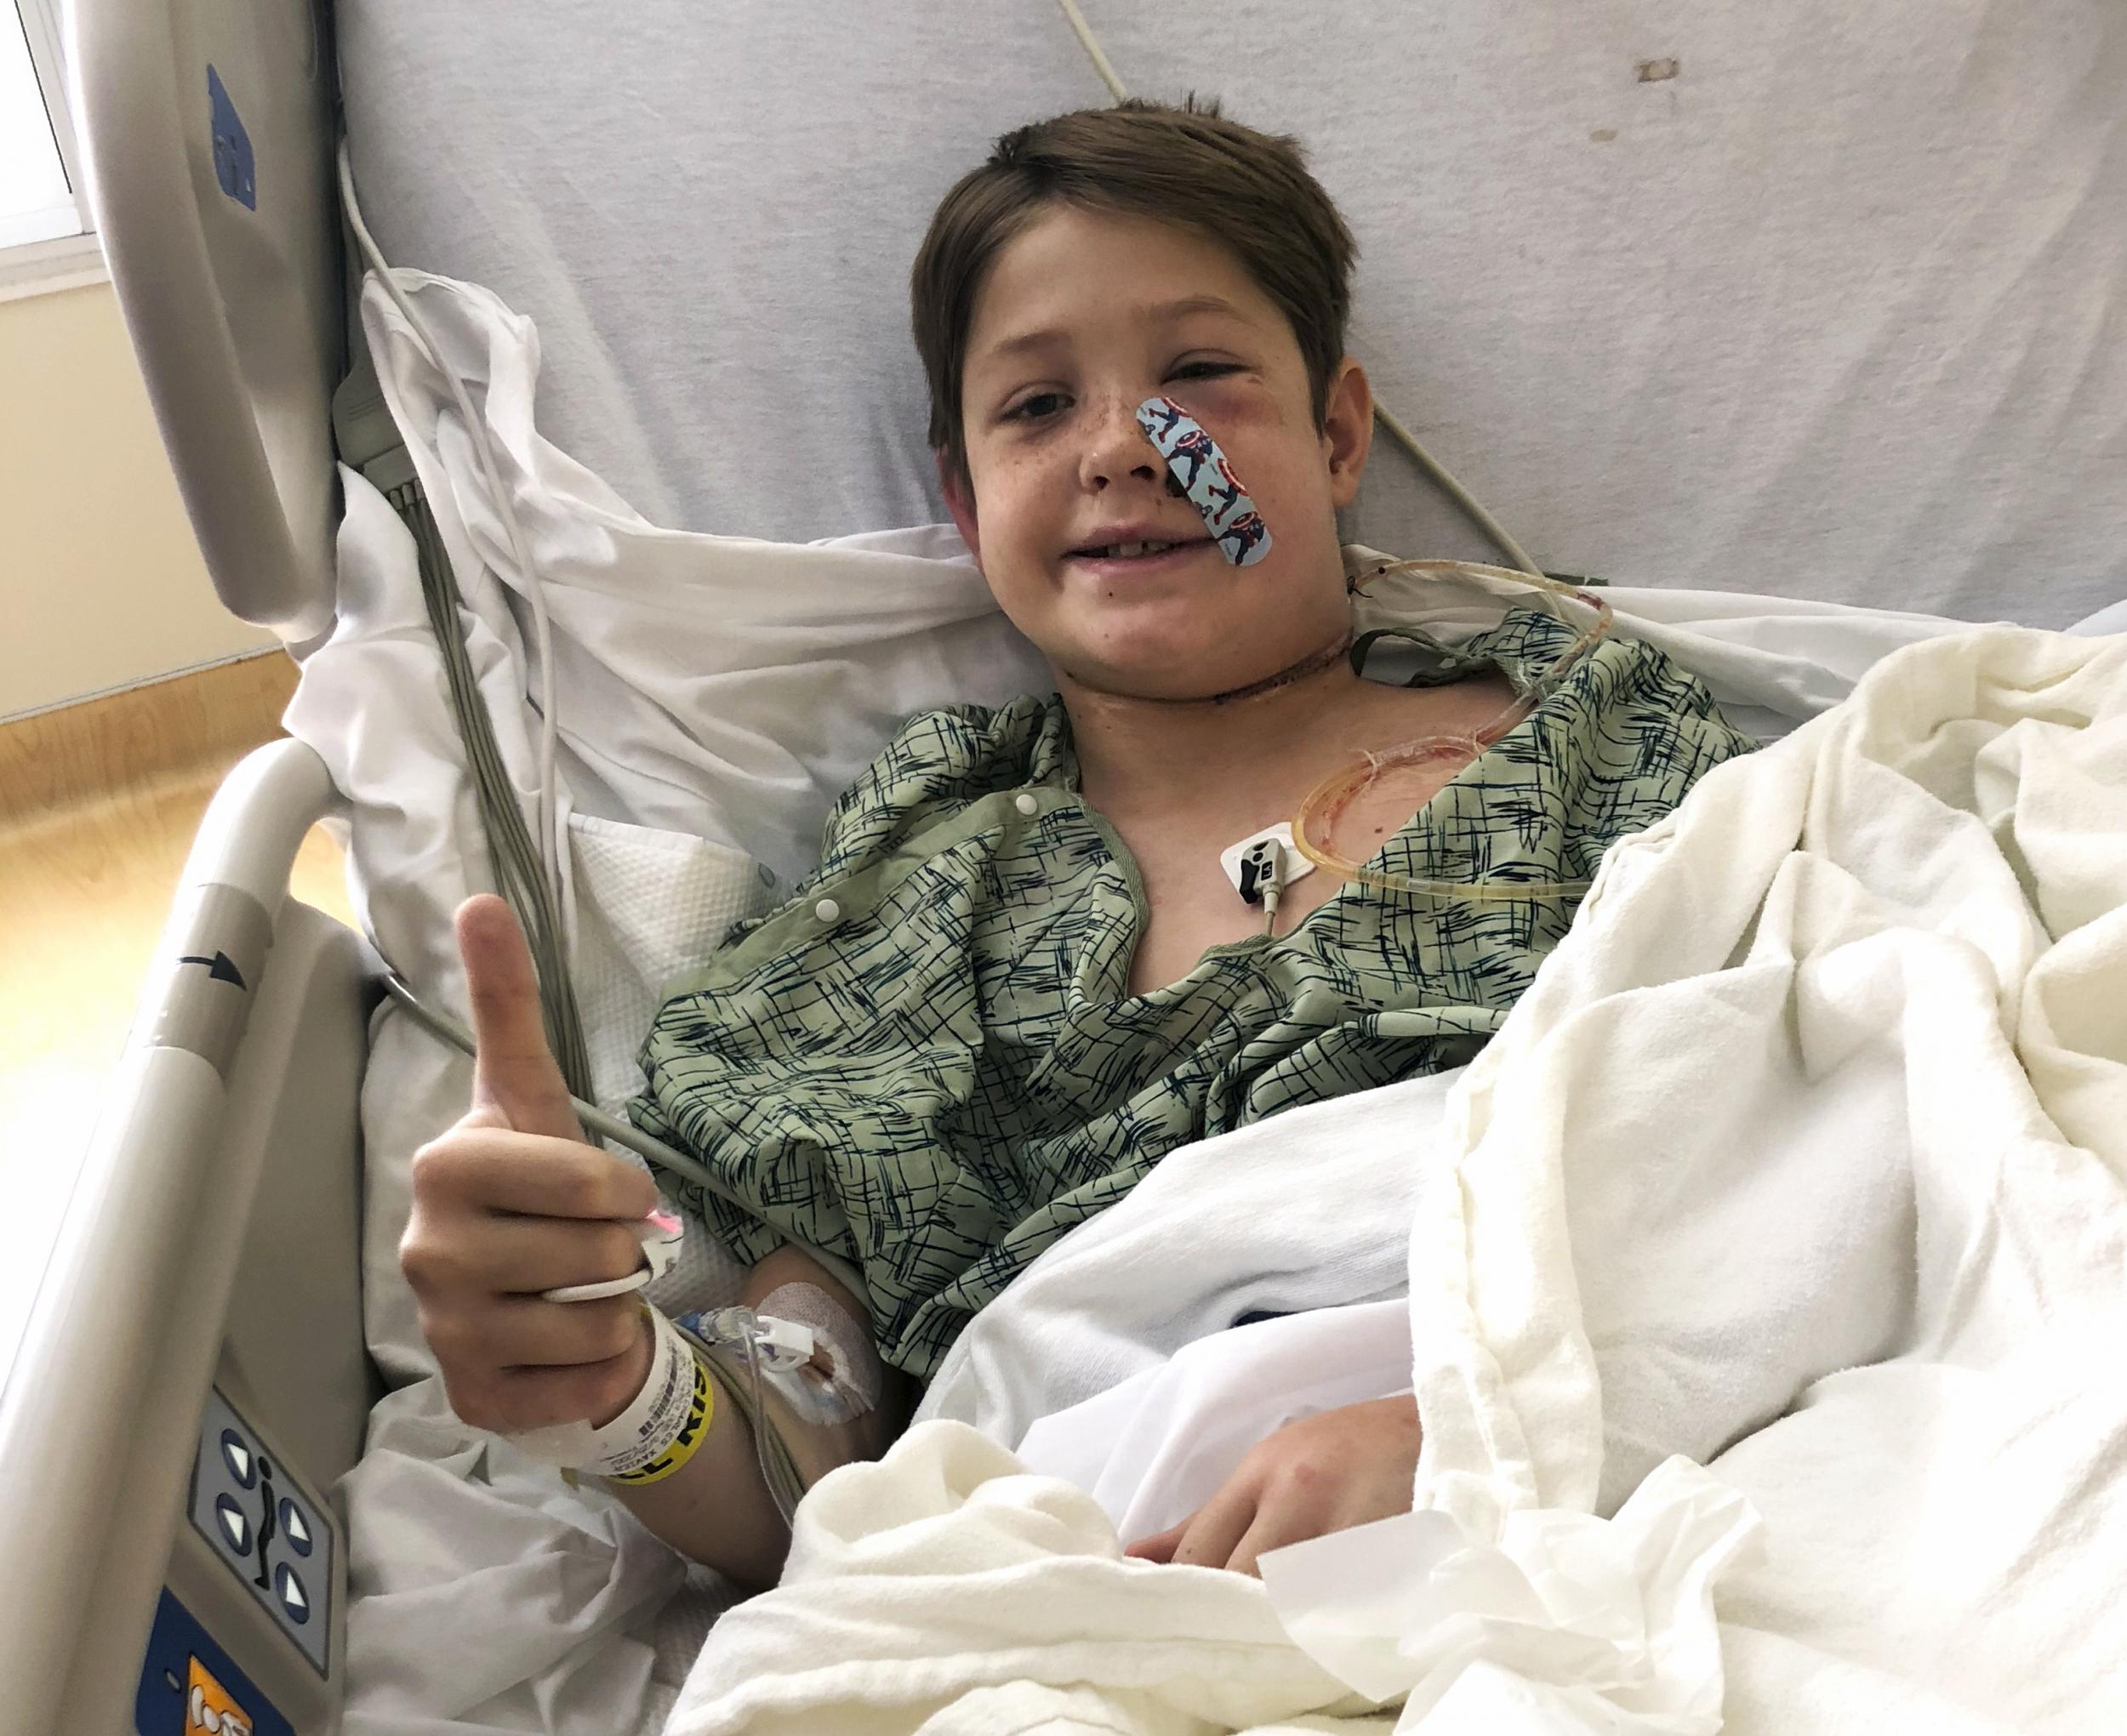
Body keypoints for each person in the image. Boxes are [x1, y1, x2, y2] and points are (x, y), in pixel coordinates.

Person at [400, 100, 1757, 1591]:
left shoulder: (1591, 737)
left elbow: (1801, 1119)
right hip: (1134, 1569)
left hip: (1642, 1473)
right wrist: (612, 1386)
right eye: (1038, 406)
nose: (1124, 445)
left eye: (1199, 375)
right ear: (966, 503)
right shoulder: (926, 889)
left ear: (1338, 434)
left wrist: (1472, 1422)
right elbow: (816, 1463)